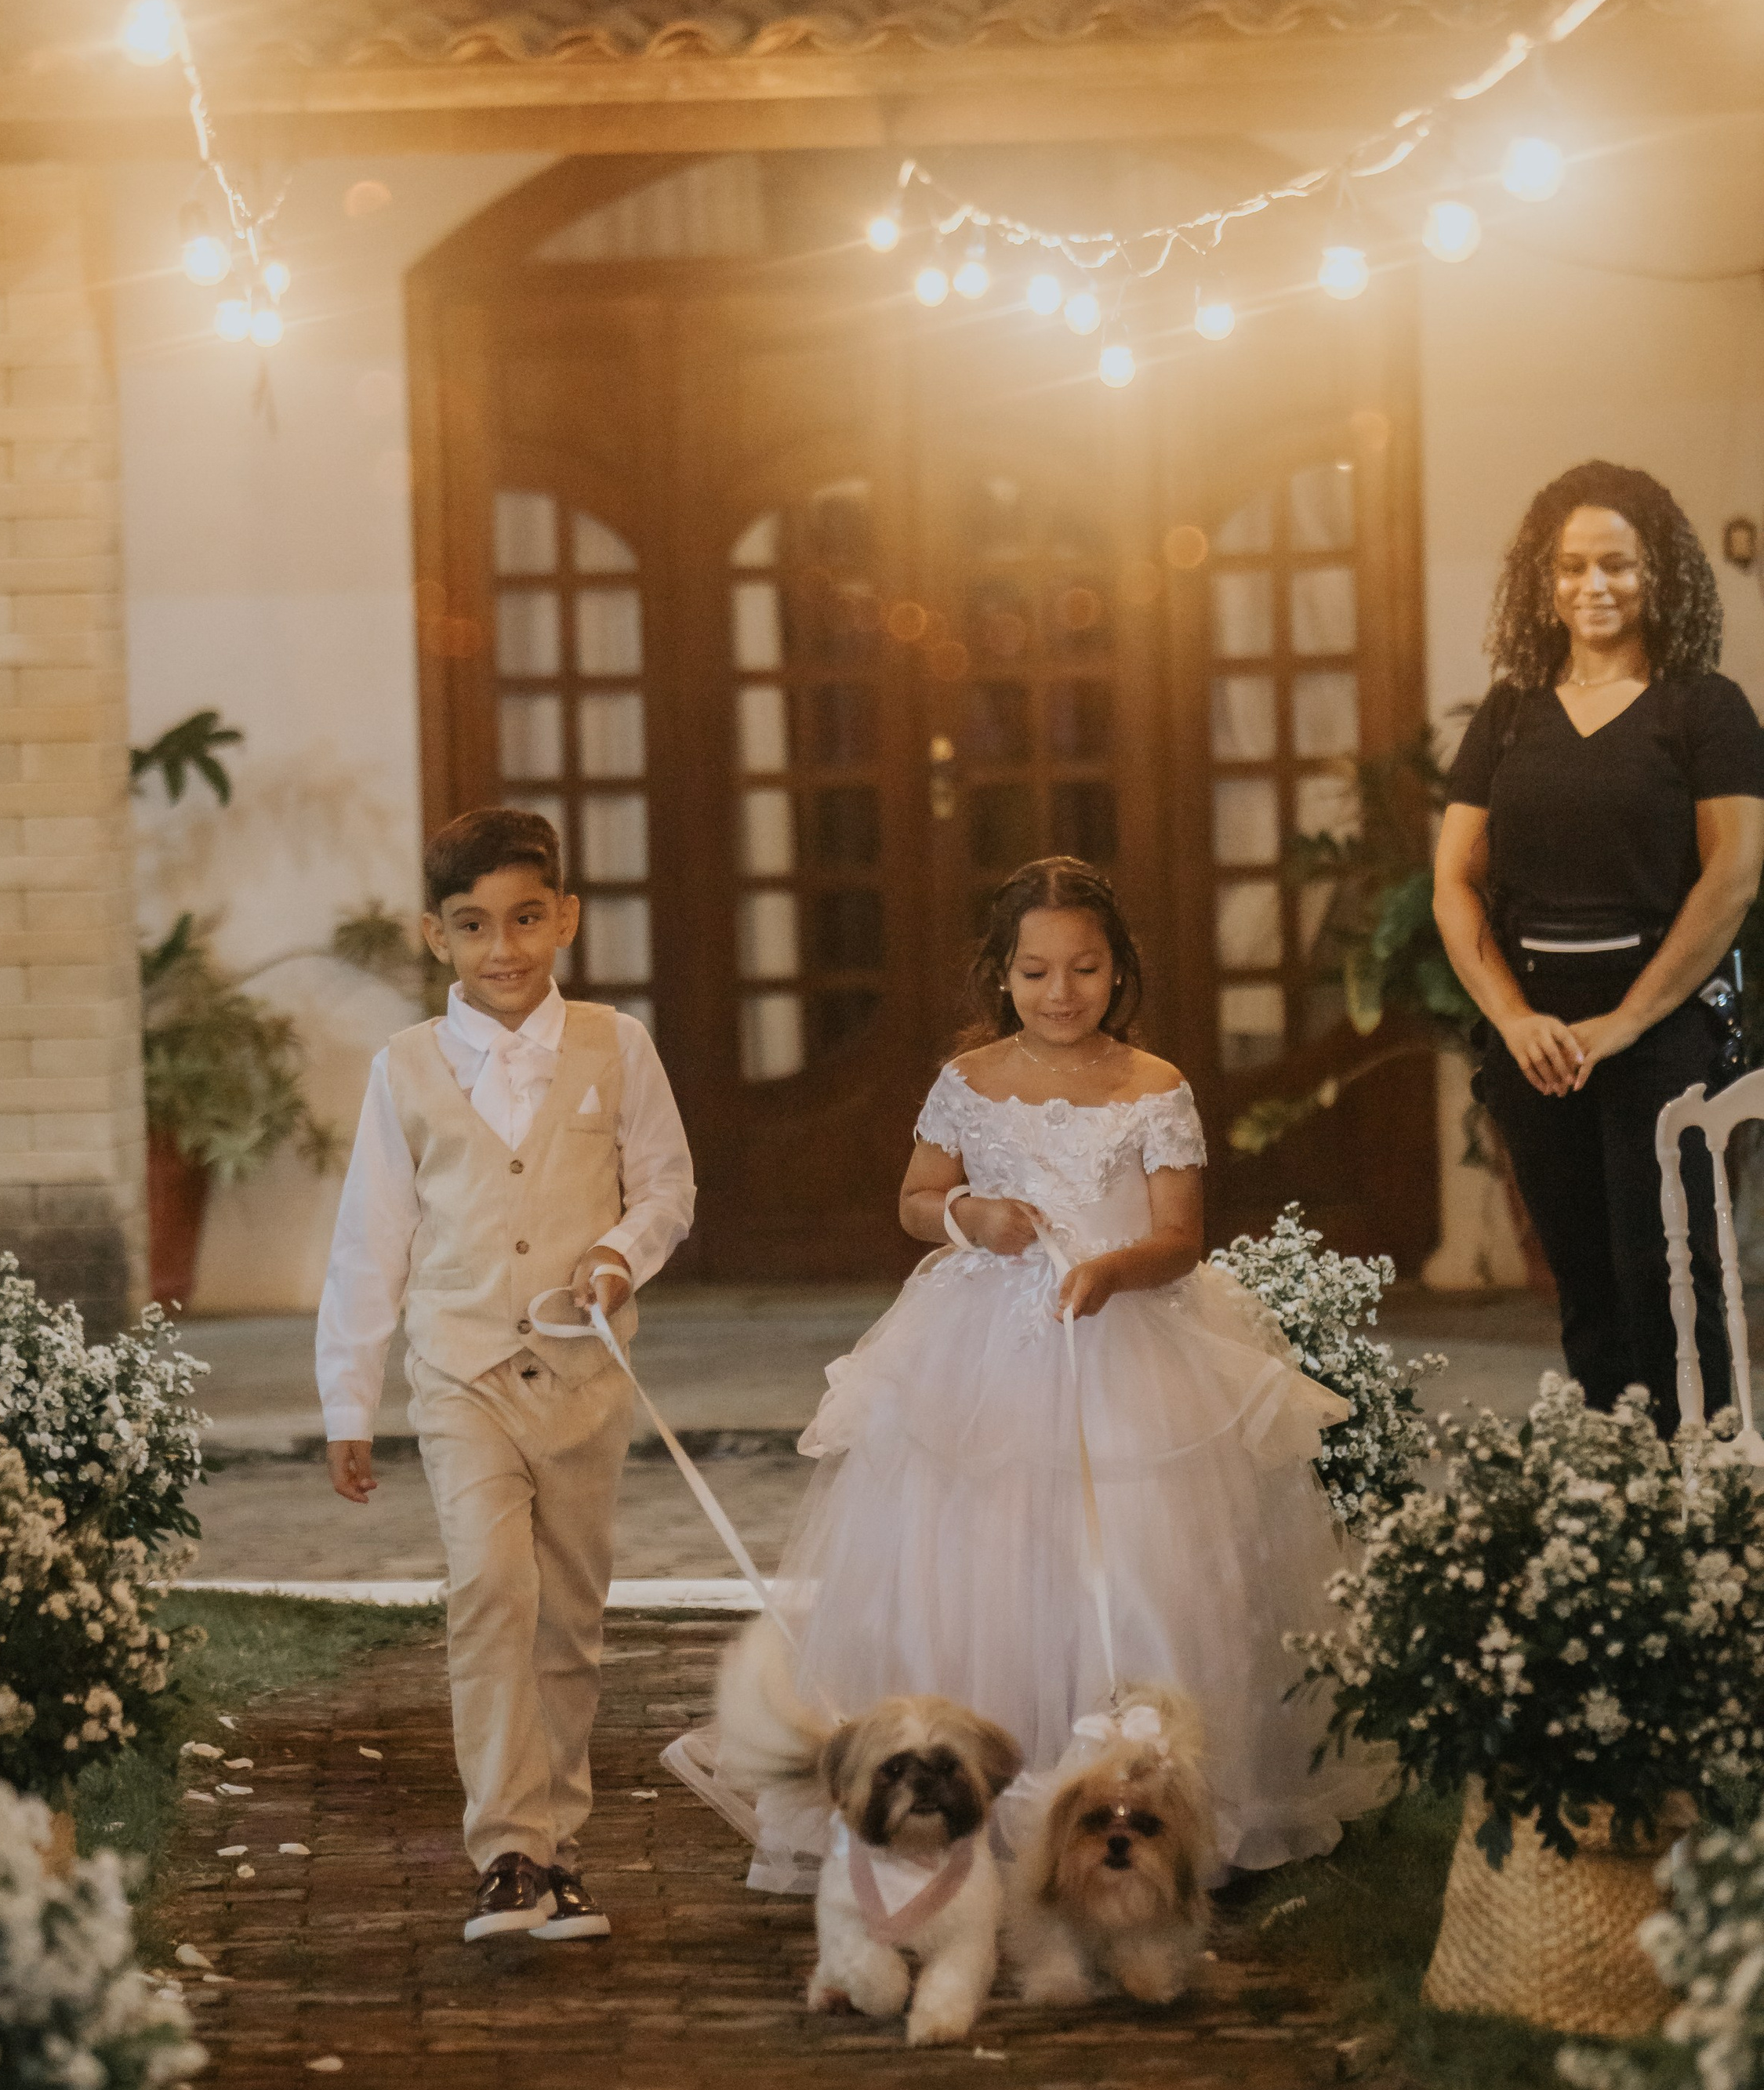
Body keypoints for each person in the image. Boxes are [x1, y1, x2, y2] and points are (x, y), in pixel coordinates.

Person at [665, 855, 1384, 1892]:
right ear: (1003, 974)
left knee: (1137, 1555)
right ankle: (969, 1790)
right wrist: (972, 1218)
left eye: (1084, 969)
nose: (1061, 993)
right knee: (977, 1553)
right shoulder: (968, 1084)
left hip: (1124, 1336)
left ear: (1117, 970)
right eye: (1037, 971)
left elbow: (1180, 1236)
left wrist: (1111, 1268)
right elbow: (918, 1198)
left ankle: (1136, 1792)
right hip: (983, 1346)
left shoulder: (1154, 1089)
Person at [317, 804, 695, 1944]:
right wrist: (351, 1396)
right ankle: (508, 1853)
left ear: (565, 918)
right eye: (475, 925)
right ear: (435, 936)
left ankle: (559, 1846)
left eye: (527, 920)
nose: (505, 949)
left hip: (582, 1374)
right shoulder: (405, 1069)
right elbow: (370, 1236)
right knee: (492, 1590)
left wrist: (621, 1260)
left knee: (568, 1619)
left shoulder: (617, 1047)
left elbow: (667, 1189)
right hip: (460, 1367)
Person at [1433, 463, 1764, 1433]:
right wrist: (1513, 1016)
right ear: (1545, 580)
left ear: (1656, 571)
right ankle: (1615, 1499)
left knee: (1671, 1278)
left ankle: (1700, 1513)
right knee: (1585, 1283)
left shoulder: (1702, 708)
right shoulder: (1508, 713)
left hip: (1660, 1031)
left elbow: (1732, 877)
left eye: (1615, 564)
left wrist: (1623, 1023)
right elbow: (1456, 882)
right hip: (1537, 1036)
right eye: (1571, 566)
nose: (1593, 585)